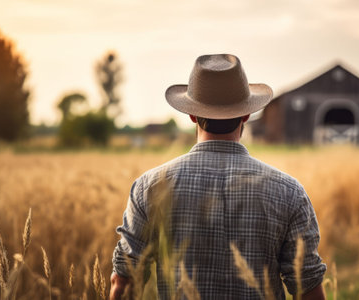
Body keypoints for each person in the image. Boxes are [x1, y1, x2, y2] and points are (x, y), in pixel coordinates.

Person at [110, 54, 326, 300]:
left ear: (192, 115)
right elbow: (308, 287)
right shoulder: (289, 192)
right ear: (246, 115)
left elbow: (123, 284)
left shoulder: (150, 187)